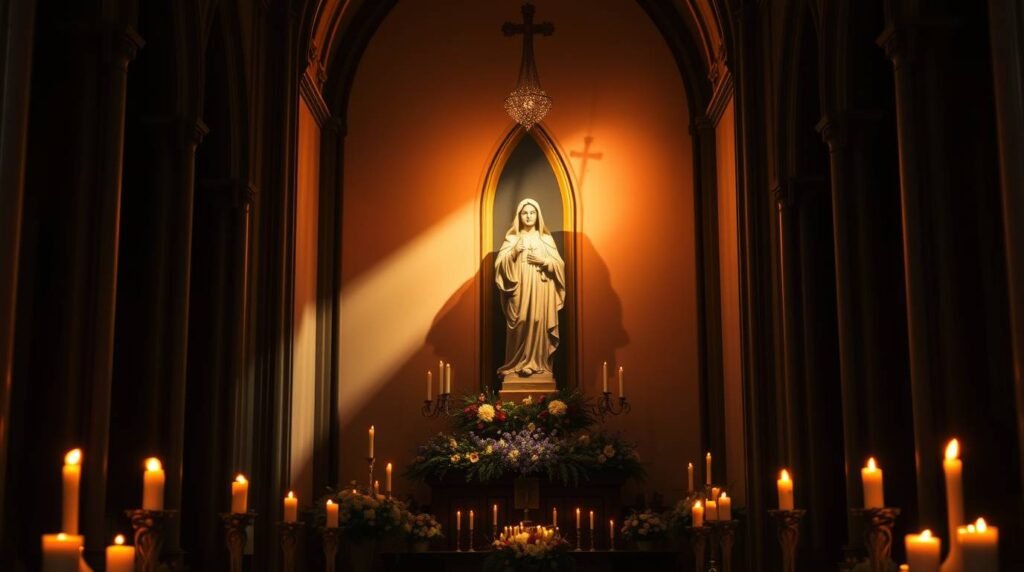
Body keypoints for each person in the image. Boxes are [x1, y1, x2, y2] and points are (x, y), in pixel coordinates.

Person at [495, 198, 565, 379]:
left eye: (532, 213)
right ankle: (517, 364)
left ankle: (537, 364)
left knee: (537, 320)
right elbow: (499, 266)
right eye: (525, 213)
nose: (528, 216)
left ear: (538, 215)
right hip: (519, 288)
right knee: (522, 320)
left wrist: (544, 261)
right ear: (519, 216)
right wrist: (514, 252)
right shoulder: (512, 238)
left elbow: (559, 265)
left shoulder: (545, 239)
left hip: (541, 289)